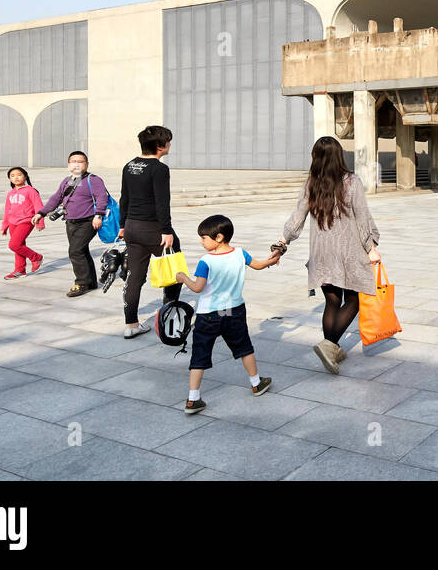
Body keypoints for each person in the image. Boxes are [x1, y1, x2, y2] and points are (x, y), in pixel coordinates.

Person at [271, 136, 382, 374]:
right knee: (354, 300)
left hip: (321, 254)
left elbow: (296, 217)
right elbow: (362, 217)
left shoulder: (311, 183)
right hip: (348, 252)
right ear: (339, 155)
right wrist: (371, 247)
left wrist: (283, 241)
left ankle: (330, 348)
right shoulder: (351, 181)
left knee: (332, 301)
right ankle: (329, 346)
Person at [174, 214, 278, 414]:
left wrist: (183, 278)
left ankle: (193, 399)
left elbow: (197, 287)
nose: (201, 241)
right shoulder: (240, 253)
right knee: (244, 347)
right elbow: (258, 265)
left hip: (208, 315)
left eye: (204, 237)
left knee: (200, 353)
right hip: (234, 311)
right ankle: (256, 383)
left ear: (219, 237)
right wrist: (272, 260)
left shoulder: (206, 261)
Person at [117, 125, 182, 339]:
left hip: (132, 227)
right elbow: (163, 203)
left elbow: (123, 198)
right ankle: (170, 315)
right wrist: (166, 229)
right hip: (152, 227)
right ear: (160, 146)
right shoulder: (159, 169)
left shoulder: (129, 165)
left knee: (134, 277)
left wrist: (122, 226)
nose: (170, 145)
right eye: (168, 141)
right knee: (174, 268)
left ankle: (131, 324)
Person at [33, 151, 110, 297]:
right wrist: (41, 213)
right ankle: (91, 282)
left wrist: (98, 215)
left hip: (88, 221)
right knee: (82, 251)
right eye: (73, 161)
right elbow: (56, 198)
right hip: (70, 221)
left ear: (86, 164)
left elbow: (101, 198)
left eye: (80, 161)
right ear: (68, 164)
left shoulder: (93, 180)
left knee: (75, 251)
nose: (76, 164)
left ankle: (81, 283)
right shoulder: (66, 180)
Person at [1, 167, 45, 279]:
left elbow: (38, 206)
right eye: (12, 175)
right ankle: (20, 270)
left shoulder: (30, 190)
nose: (16, 177)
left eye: (19, 174)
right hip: (12, 223)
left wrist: (39, 223)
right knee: (19, 246)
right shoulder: (10, 193)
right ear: (9, 179)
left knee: (14, 245)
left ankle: (36, 257)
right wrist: (4, 226)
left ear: (25, 176)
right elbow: (7, 210)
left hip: (26, 221)